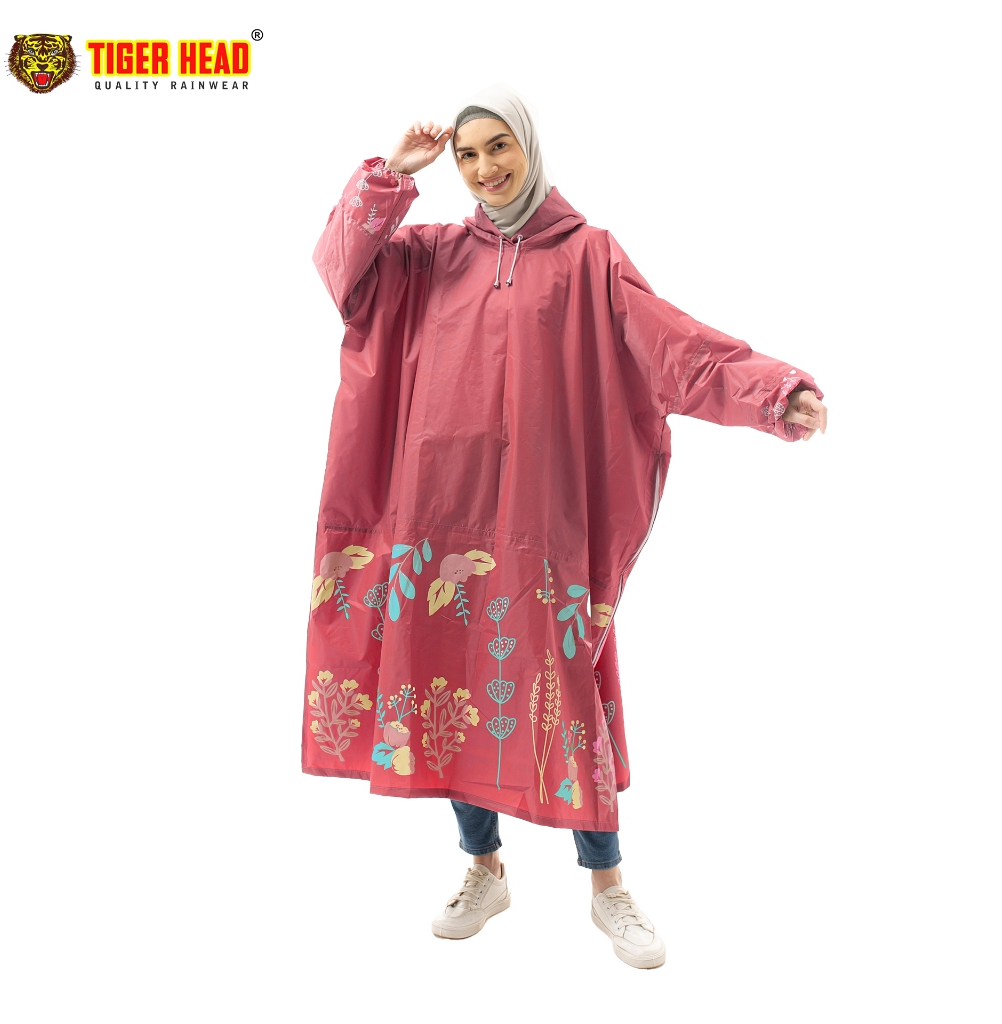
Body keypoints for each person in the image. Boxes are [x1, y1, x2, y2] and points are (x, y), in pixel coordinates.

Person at [303, 84, 827, 970]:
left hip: (538, 522)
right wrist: (392, 173)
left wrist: (773, 392)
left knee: (560, 689)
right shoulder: (428, 255)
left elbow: (675, 346)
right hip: (436, 512)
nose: (484, 168)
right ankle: (484, 868)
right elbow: (339, 271)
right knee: (449, 680)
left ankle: (607, 884)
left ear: (529, 146)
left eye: (497, 147)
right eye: (468, 156)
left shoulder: (589, 256)